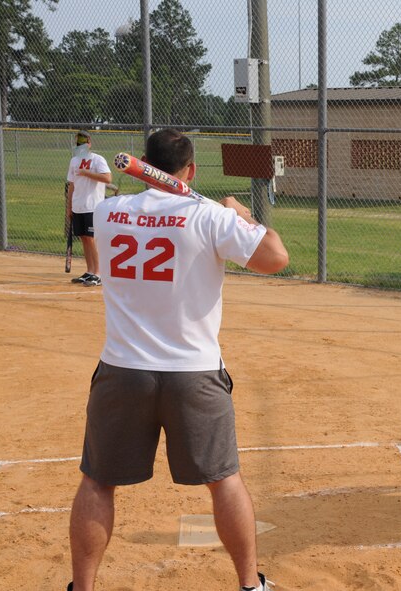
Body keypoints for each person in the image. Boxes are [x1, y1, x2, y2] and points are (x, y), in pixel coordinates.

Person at [67, 129, 289, 590]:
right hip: (195, 374)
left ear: (146, 162)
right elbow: (276, 257)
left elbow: (103, 211)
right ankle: (250, 585)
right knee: (225, 481)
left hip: (122, 371)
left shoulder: (110, 212)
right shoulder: (209, 216)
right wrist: (243, 217)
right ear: (190, 172)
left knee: (96, 483)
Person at [66, 130, 112, 287]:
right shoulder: (73, 161)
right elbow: (71, 185)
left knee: (92, 239)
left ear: (89, 144)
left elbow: (107, 178)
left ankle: (99, 274)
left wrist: (87, 173)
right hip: (78, 206)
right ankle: (90, 271)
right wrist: (69, 206)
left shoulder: (97, 160)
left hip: (93, 206)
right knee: (84, 238)